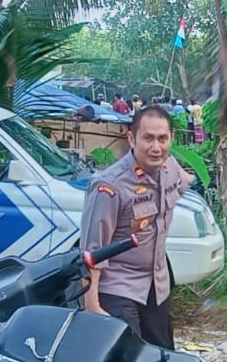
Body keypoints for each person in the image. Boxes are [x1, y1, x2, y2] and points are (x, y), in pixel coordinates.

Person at [80, 105, 191, 348]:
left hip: (156, 286)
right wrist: (92, 305)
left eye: (163, 139)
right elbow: (91, 252)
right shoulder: (109, 186)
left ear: (171, 138)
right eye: (148, 138)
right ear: (131, 138)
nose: (156, 147)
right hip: (119, 288)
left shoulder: (169, 168)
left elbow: (183, 183)